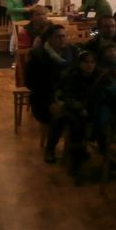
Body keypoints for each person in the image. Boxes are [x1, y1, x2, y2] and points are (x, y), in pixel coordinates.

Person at [26, 24, 78, 163]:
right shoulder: (38, 55)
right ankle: (50, 149)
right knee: (59, 112)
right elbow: (31, 83)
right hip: (44, 97)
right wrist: (52, 100)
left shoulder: (73, 51)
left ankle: (78, 147)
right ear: (49, 38)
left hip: (68, 93)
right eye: (58, 37)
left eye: (64, 36)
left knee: (79, 110)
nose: (62, 39)